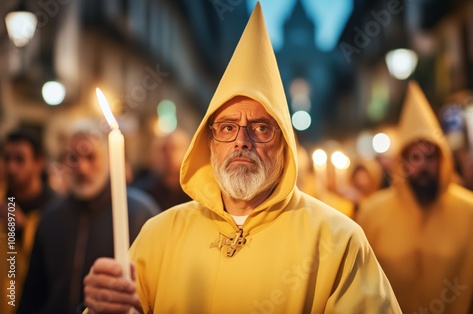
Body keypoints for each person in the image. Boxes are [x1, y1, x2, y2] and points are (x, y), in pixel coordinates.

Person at [83, 4, 401, 313]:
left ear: (285, 143)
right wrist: (107, 306)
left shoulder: (337, 239)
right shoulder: (159, 234)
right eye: (227, 127)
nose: (241, 141)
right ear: (208, 143)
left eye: (261, 128)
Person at [356, 81, 473, 314]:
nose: (422, 165)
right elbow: (359, 290)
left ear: (443, 159)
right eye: (414, 156)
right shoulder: (371, 214)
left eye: (430, 156)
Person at [18, 120, 160, 314]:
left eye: (91, 157)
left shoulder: (142, 213)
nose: (82, 168)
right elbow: (32, 297)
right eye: (73, 158)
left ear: (110, 159)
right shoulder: (50, 218)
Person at [0, 129, 61, 314]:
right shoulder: (2, 205)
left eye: (20, 159)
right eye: (7, 158)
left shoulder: (57, 212)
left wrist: (21, 230)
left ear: (38, 162)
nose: (11, 167)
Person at [132, 130, 191, 211]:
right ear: (153, 154)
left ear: (187, 152)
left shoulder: (196, 194)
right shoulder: (139, 194)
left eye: (174, 148)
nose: (169, 154)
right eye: (163, 149)